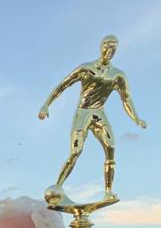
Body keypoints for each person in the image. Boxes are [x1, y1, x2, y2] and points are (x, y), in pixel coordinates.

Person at [38, 34, 147, 199]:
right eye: (107, 48)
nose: (110, 52)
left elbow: (126, 99)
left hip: (99, 113)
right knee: (76, 151)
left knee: (111, 148)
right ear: (101, 48)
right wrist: (46, 105)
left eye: (113, 50)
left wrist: (136, 119)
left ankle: (108, 192)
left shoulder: (117, 75)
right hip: (83, 112)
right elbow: (63, 85)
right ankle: (58, 186)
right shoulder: (86, 68)